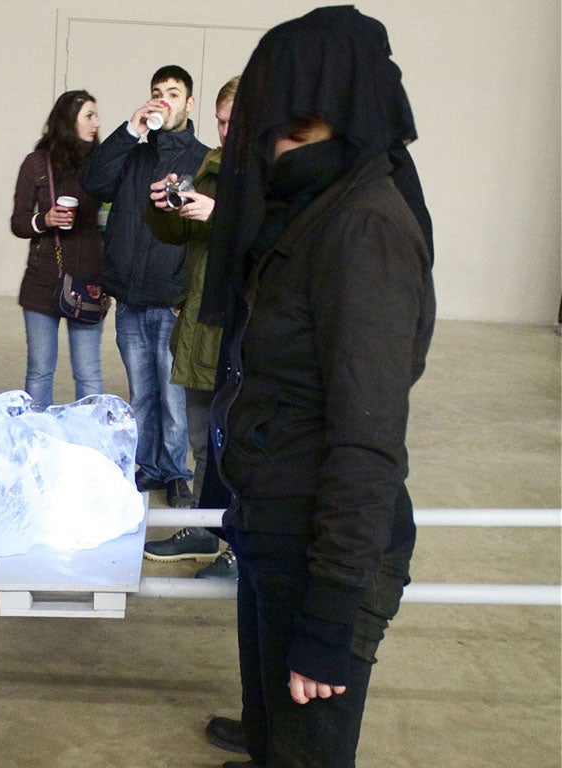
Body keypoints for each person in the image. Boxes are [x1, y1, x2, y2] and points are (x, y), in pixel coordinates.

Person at [197, 7, 436, 767]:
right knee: (274, 743)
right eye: (272, 131)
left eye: (294, 134)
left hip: (323, 552)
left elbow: (368, 442)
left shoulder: (362, 229)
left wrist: (330, 621)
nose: (271, 151)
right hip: (277, 527)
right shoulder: (311, 213)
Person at [80, 65, 208, 508]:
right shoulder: (133, 153)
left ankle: (176, 472)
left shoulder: (202, 159)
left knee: (174, 398)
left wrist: (187, 293)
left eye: (173, 93)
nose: (164, 100)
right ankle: (150, 467)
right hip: (130, 299)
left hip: (171, 299)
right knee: (142, 394)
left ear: (189, 103)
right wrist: (128, 130)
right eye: (157, 92)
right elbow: (93, 182)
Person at [142, 76, 240, 578]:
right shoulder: (213, 165)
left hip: (242, 331)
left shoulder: (274, 177)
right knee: (205, 441)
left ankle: (238, 549)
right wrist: (165, 205)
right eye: (220, 121)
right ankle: (205, 532)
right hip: (204, 320)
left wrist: (219, 214)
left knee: (242, 450)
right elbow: (181, 232)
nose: (224, 131)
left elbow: (275, 242)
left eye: (233, 121)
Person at [11, 89, 105, 409]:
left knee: (89, 374)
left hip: (90, 281)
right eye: (88, 116)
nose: (96, 123)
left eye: (96, 115)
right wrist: (45, 219)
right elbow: (19, 222)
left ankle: (91, 449)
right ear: (68, 122)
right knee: (39, 372)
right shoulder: (36, 164)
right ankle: (38, 445)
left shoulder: (103, 166)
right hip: (43, 281)